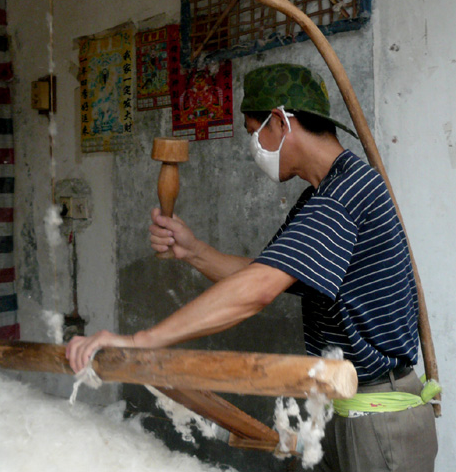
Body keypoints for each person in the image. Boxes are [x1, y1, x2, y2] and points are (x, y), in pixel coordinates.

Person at [66, 63, 438, 471]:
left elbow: (259, 288)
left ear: (279, 122)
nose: (253, 147)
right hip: (349, 409)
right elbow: (265, 271)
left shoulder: (342, 197)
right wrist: (192, 250)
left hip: (379, 422)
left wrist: (140, 341)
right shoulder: (323, 194)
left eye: (252, 132)